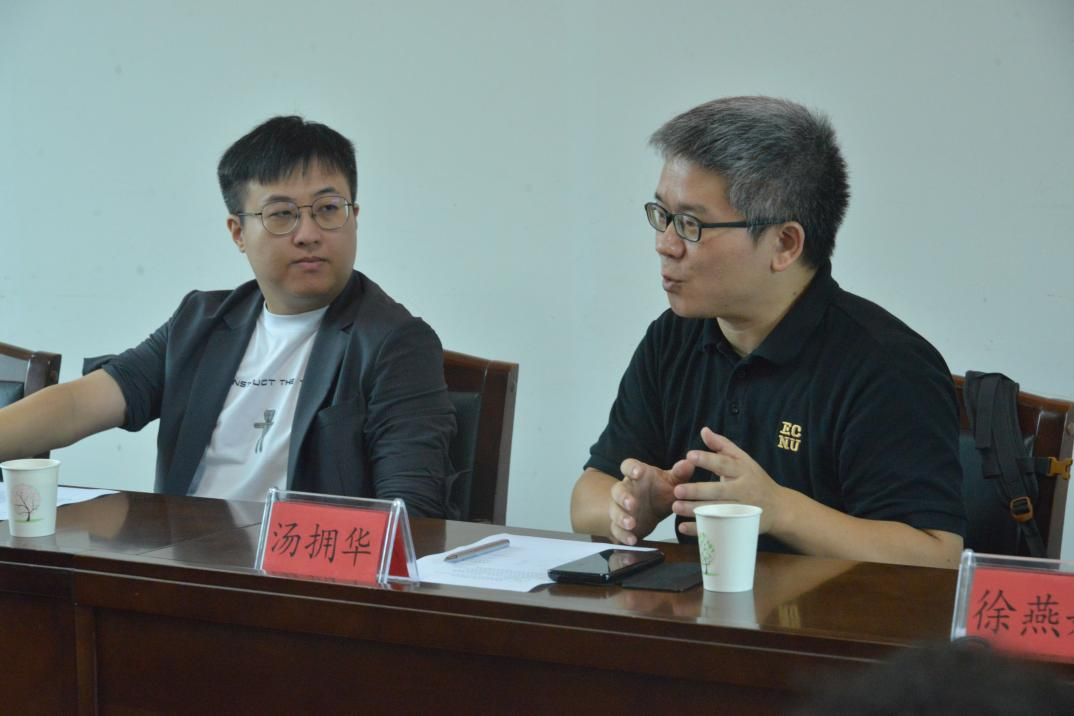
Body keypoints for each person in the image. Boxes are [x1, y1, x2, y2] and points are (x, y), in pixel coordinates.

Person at [570, 96, 965, 567]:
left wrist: (780, 510)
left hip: (833, 615)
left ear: (784, 244)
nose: (665, 244)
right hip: (700, 609)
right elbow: (586, 497)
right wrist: (629, 505)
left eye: (691, 224)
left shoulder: (887, 365)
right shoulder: (675, 337)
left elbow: (936, 555)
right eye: (662, 216)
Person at [0, 116, 454, 517]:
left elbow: (411, 512)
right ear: (238, 232)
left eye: (328, 209)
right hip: (184, 560)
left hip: (303, 576)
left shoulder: (394, 342)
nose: (309, 234)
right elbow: (79, 404)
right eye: (282, 214)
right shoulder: (201, 323)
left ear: (354, 216)